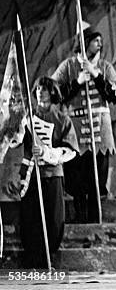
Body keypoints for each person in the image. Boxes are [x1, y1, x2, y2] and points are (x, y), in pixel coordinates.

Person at [52, 26, 116, 222]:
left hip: (100, 125)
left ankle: (96, 217)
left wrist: (96, 75)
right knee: (77, 175)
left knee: (98, 174)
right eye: (95, 40)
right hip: (76, 126)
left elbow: (114, 94)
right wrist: (77, 82)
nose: (100, 44)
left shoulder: (105, 66)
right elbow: (55, 93)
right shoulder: (68, 66)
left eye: (100, 40)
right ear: (85, 42)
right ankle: (80, 217)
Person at [19, 77, 78, 268]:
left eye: (44, 89)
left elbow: (70, 150)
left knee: (53, 218)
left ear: (52, 92)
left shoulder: (62, 119)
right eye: (37, 89)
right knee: (30, 216)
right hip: (30, 174)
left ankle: (48, 255)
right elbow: (15, 139)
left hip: (52, 175)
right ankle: (32, 257)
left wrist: (46, 152)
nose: (39, 92)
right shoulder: (27, 118)